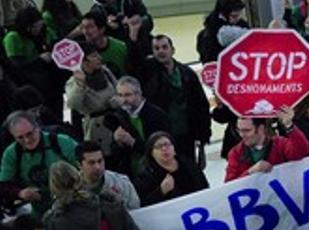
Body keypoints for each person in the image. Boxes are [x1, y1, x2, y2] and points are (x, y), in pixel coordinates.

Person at [140, 34, 210, 162]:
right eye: (156, 48)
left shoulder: (187, 73)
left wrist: (204, 135)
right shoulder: (149, 74)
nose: (161, 51)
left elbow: (201, 104)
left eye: (164, 47)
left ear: (172, 50)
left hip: (187, 133)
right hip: (162, 135)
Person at [0, 110, 78, 212]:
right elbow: (4, 185)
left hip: (71, 202)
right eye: (20, 138)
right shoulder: (12, 153)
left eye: (30, 134)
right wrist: (20, 193)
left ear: (37, 127)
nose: (27, 140)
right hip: (37, 208)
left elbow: (85, 167)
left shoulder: (62, 142)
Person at [225, 107, 309, 182]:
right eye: (239, 130)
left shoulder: (279, 144)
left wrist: (289, 125)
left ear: (261, 129)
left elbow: (302, 152)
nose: (241, 135)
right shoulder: (235, 153)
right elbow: (229, 185)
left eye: (247, 130)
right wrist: (250, 172)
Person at [134, 131, 209, 205]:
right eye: (159, 146)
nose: (164, 149)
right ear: (151, 153)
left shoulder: (187, 163)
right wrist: (161, 191)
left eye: (167, 144)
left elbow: (204, 185)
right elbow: (142, 204)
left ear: (174, 148)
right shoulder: (146, 175)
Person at [76, 140, 140, 210]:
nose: (97, 167)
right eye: (91, 163)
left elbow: (135, 210)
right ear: (79, 165)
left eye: (100, 161)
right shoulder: (72, 188)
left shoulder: (122, 183)